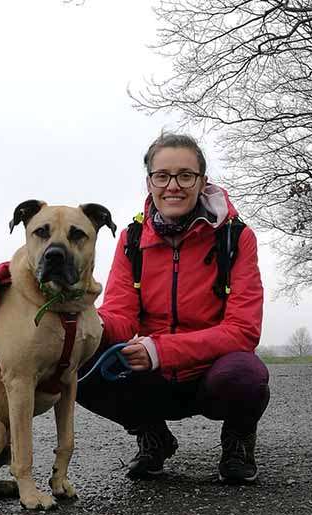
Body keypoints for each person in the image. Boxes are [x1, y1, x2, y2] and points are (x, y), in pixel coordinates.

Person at [76, 132, 270, 484]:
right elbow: (121, 314)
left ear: (202, 181)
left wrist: (160, 350)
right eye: (162, 176)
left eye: (185, 175)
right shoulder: (132, 238)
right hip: (154, 380)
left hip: (212, 375)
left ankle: (238, 441)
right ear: (149, 182)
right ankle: (153, 436)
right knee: (80, 365)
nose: (173, 186)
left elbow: (243, 330)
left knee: (246, 375)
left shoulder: (237, 236)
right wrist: (89, 326)